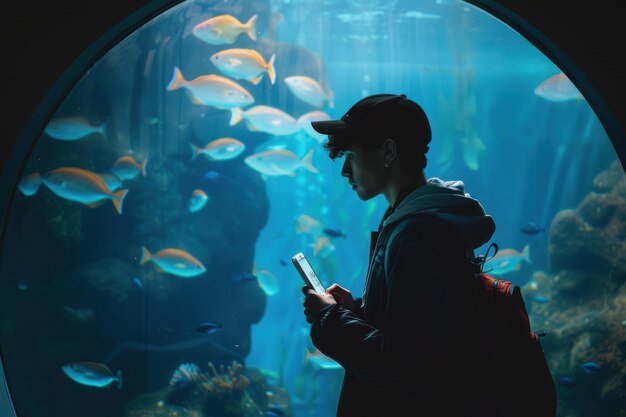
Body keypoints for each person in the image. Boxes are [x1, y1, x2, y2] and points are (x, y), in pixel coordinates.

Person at [301, 93, 497, 416]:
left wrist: (330, 319)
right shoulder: (413, 221)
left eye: (350, 156)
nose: (344, 172)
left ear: (388, 152)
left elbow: (408, 369)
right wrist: (358, 310)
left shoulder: (416, 235)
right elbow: (416, 329)